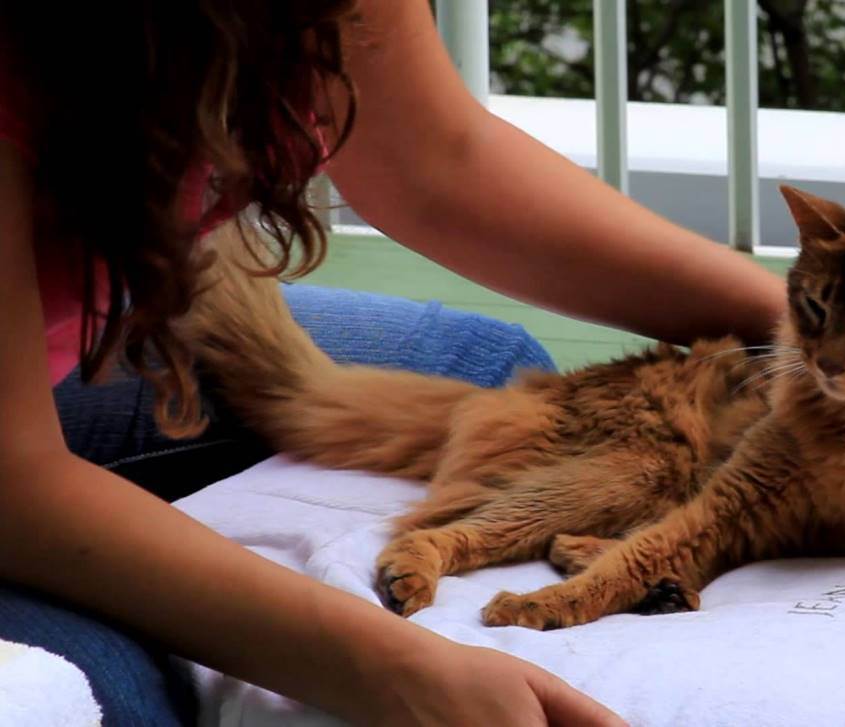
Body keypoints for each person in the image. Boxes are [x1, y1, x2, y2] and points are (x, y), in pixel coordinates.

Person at [0, 2, 785, 725]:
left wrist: (798, 322)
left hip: (63, 335)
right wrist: (395, 667)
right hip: (17, 455)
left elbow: (437, 160)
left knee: (492, 370)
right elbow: (15, 480)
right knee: (123, 688)